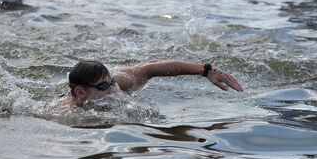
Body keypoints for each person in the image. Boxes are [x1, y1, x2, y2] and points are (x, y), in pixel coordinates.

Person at [59, 60, 243, 108]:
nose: (114, 90)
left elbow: (151, 69)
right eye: (104, 87)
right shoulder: (63, 112)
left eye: (112, 83)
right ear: (81, 93)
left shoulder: (120, 83)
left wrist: (205, 70)